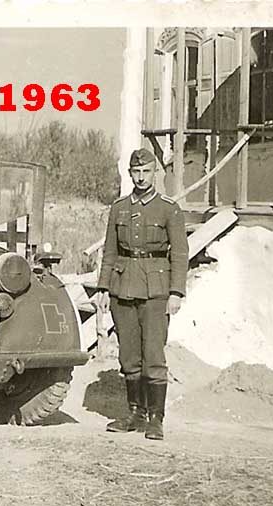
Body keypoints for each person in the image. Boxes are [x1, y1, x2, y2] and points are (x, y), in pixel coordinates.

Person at [96, 148, 188, 440]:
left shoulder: (169, 209)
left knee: (153, 355)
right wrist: (103, 287)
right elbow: (110, 251)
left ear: (155, 173)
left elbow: (180, 254)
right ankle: (135, 413)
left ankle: (155, 418)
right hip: (122, 287)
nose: (141, 177)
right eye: (136, 172)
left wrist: (176, 292)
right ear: (130, 174)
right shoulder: (119, 208)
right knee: (128, 355)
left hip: (156, 290)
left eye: (146, 171)